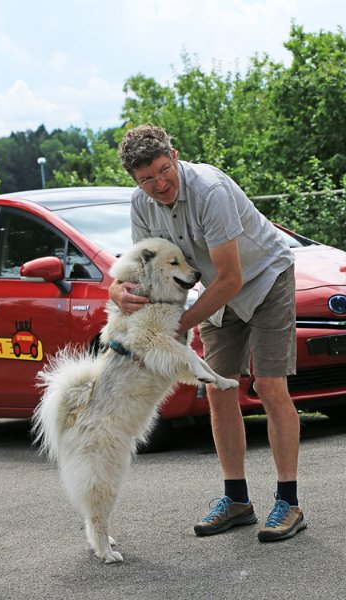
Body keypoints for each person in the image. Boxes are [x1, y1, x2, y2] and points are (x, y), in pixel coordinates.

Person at [110, 123, 307, 542]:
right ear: (134, 179)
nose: (159, 184)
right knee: (218, 389)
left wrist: (177, 326)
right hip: (217, 292)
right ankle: (237, 501)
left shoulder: (210, 191)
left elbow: (232, 276)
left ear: (175, 155)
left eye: (164, 170)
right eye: (147, 178)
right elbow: (144, 270)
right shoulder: (140, 205)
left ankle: (289, 503)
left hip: (263, 278)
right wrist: (118, 292)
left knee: (270, 386)